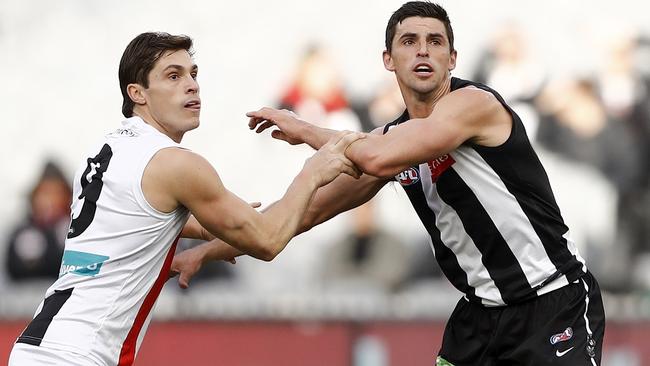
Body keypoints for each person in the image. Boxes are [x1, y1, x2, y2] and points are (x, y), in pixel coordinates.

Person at [173, 2, 606, 365]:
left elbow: (376, 155)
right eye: (409, 42)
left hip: (551, 303)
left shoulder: (473, 105)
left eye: (436, 42)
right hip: (479, 318)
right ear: (388, 59)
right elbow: (303, 212)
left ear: (452, 59)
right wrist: (211, 250)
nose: (424, 51)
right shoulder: (391, 139)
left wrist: (307, 129)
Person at [8, 32, 363, 366]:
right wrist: (313, 171)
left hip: (36, 347)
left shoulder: (104, 152)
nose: (192, 84)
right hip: (79, 355)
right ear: (138, 93)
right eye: (173, 76)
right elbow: (268, 239)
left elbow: (153, 222)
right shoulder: (174, 163)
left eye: (193, 74)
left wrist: (218, 238)